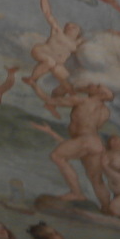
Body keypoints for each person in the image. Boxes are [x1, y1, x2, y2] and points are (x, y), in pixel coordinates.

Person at [31, 83, 115, 211]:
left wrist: (34, 85)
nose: (93, 85)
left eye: (98, 87)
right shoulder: (105, 111)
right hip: (96, 143)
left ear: (101, 94)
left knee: (56, 156)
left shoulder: (82, 100)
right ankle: (107, 208)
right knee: (96, 179)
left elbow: (49, 99)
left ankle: (76, 193)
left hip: (84, 140)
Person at [23, 0, 83, 95]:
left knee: (69, 80)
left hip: (56, 63)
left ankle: (70, 95)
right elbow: (48, 14)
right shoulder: (58, 32)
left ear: (78, 32)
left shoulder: (77, 43)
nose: (69, 26)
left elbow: (95, 40)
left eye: (74, 27)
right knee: (50, 62)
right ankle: (32, 79)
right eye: (68, 25)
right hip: (41, 52)